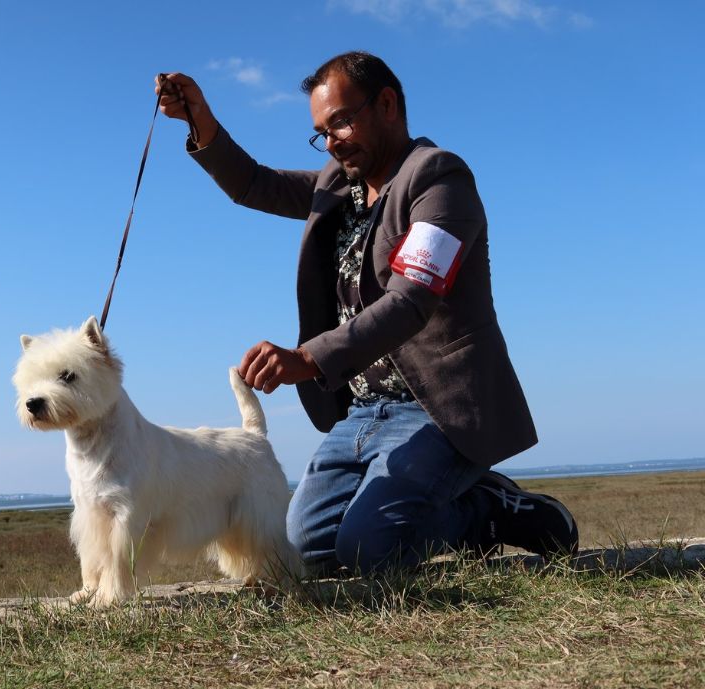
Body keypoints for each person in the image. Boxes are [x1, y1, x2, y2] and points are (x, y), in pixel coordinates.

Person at [155, 51, 578, 576]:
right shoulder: (339, 185)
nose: (332, 141)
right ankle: (449, 503)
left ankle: (487, 510)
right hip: (360, 413)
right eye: (321, 132)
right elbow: (254, 184)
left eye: (341, 121)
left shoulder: (439, 180)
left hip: (437, 411)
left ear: (387, 104)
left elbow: (411, 300)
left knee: (371, 548)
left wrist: (308, 358)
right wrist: (200, 121)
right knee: (304, 551)